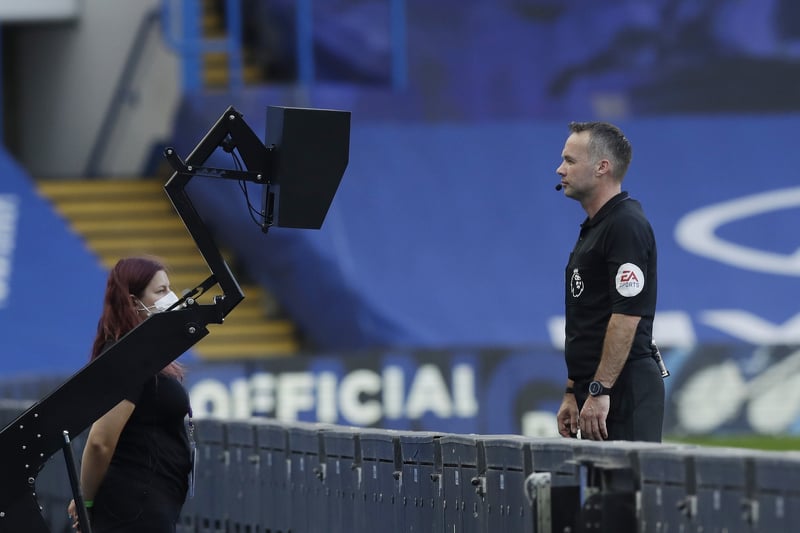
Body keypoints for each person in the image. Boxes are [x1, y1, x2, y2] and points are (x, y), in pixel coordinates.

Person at [554, 121, 664, 442]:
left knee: (626, 492)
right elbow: (588, 320)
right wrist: (573, 391)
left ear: (602, 167)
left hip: (623, 389)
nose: (560, 169)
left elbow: (627, 316)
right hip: (598, 390)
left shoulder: (625, 225)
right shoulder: (595, 227)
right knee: (601, 493)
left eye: (570, 161)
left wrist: (601, 390)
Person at [68, 256, 193, 532]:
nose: (170, 297)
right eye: (160, 291)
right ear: (134, 301)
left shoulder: (145, 352)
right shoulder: (127, 354)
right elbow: (101, 440)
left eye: (169, 288)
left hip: (148, 504)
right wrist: (85, 501)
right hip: (132, 510)